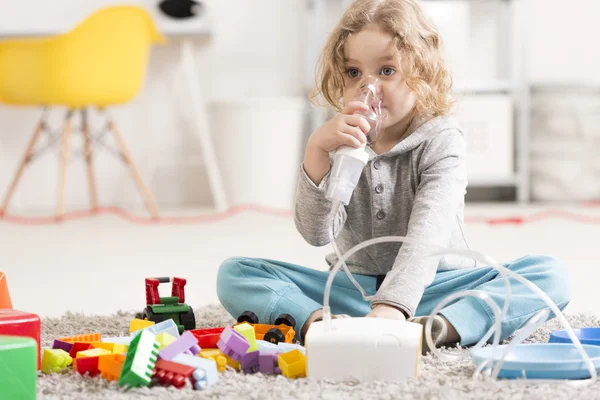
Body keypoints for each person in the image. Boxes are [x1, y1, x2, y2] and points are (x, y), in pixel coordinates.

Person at [217, 0, 571, 353]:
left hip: (438, 289)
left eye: (387, 71)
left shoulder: (442, 140)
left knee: (548, 274)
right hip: (351, 292)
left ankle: (438, 328)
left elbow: (428, 237)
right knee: (236, 273)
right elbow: (316, 234)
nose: (368, 89)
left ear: (423, 73)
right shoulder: (343, 140)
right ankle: (321, 325)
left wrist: (392, 308)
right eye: (354, 73)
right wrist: (317, 153)